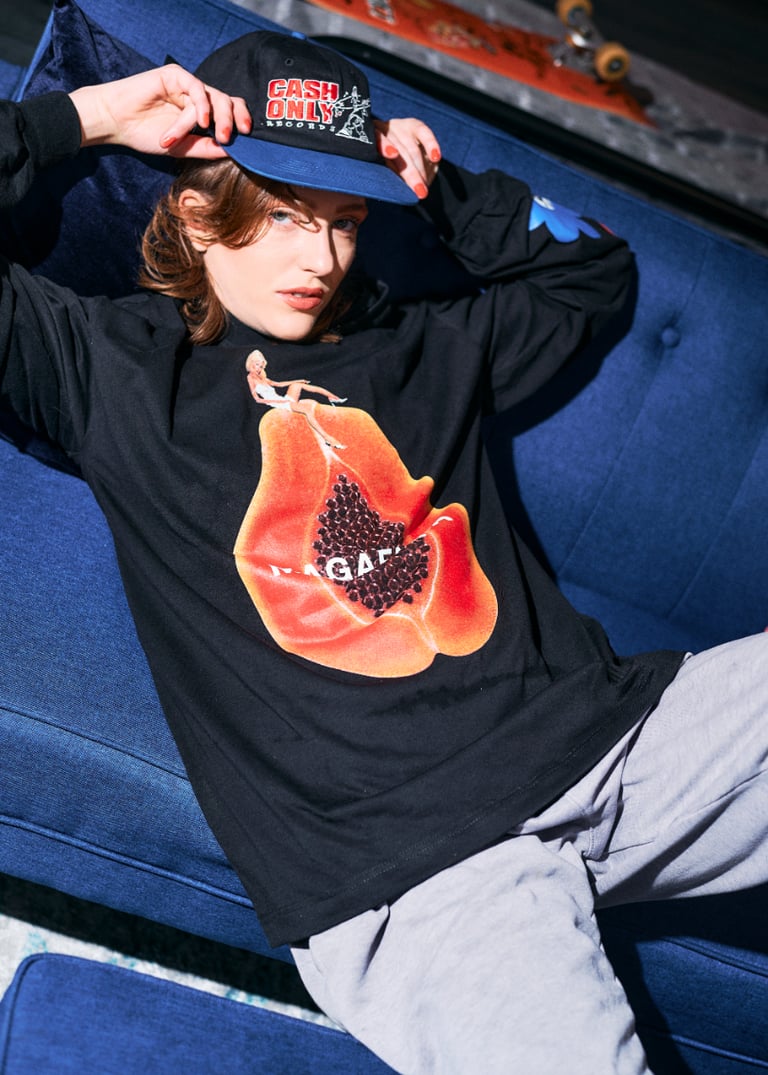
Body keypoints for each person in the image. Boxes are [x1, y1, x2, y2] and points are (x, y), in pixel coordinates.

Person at [1, 28, 765, 1075]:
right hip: (419, 868)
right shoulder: (108, 373)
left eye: (346, 221)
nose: (321, 260)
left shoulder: (422, 343)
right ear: (196, 212)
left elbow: (592, 270)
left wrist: (442, 190)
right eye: (284, 215)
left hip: (620, 740)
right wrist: (87, 119)